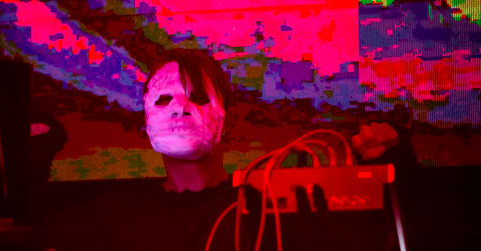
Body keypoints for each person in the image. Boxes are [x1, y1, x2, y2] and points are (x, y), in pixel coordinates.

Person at [144, 48, 402, 192]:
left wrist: (379, 160)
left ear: (228, 119)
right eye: (164, 99)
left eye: (199, 97)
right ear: (146, 119)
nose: (180, 108)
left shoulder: (263, 206)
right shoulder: (128, 218)